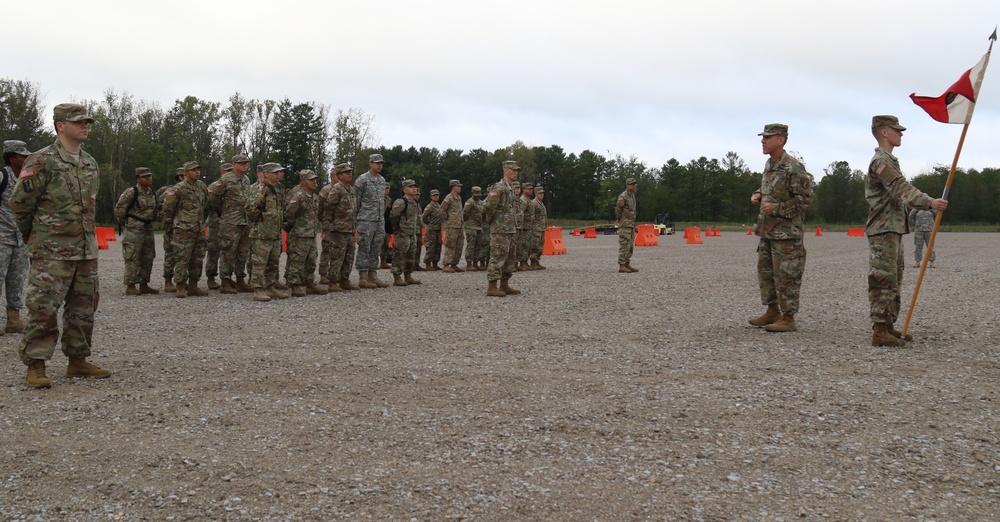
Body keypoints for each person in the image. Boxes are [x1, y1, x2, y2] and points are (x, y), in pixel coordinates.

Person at [9, 103, 110, 388]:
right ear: (60, 126)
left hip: (85, 250)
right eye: (78, 122)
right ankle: (36, 365)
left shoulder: (89, 162)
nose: (85, 126)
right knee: (43, 306)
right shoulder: (42, 161)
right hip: (51, 250)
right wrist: (36, 236)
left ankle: (77, 361)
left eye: (86, 121)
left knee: (84, 307)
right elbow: (20, 205)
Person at [866, 115, 948, 346]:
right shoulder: (881, 161)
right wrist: (929, 201)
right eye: (896, 130)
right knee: (882, 277)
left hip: (891, 227)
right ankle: (879, 330)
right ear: (884, 132)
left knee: (893, 277)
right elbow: (900, 188)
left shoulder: (889, 159)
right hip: (882, 228)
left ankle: (888, 324)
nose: (900, 134)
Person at [747, 123, 814, 333]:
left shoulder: (794, 167)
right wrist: (758, 193)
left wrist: (776, 208)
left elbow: (805, 199)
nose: (763, 141)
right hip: (768, 231)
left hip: (787, 234)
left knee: (787, 276)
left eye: (768, 137)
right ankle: (772, 311)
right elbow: (771, 187)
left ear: (781, 140)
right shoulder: (770, 165)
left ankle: (788, 317)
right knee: (766, 273)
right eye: (763, 137)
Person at [161, 161, 210, 298]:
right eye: (194, 170)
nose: (197, 172)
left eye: (198, 169)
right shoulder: (179, 188)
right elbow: (168, 207)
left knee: (198, 258)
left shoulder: (201, 186)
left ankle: (194, 286)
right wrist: (173, 223)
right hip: (183, 229)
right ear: (186, 173)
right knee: (182, 258)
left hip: (199, 228)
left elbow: (205, 203)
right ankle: (180, 286)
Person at [208, 153, 253, 294]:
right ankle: (225, 282)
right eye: (241, 163)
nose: (244, 165)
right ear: (234, 165)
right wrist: (224, 212)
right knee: (228, 252)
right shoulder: (225, 179)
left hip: (245, 221)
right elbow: (214, 199)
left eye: (246, 163)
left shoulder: (246, 179)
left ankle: (240, 280)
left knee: (243, 253)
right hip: (230, 222)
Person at [1, 140, 31, 334]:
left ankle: (14, 320)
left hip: (21, 239)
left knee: (17, 280)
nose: (26, 158)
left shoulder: (28, 178)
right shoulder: (2, 176)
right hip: (2, 238)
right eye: (22, 155)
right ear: (12, 158)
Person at [113, 167, 159, 296]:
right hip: (134, 229)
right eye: (145, 176)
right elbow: (120, 209)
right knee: (132, 256)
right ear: (138, 179)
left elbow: (157, 209)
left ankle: (144, 284)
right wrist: (125, 223)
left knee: (148, 256)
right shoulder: (131, 192)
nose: (148, 178)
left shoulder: (152, 193)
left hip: (148, 228)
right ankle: (131, 285)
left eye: (149, 176)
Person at [246, 162, 288, 301]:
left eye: (279, 172)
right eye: (275, 172)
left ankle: (270, 286)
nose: (278, 174)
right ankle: (258, 289)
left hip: (275, 232)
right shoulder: (261, 189)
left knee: (273, 262)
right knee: (259, 262)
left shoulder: (278, 188)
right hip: (262, 232)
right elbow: (251, 209)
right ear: (266, 174)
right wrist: (261, 220)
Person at [283, 169, 327, 297]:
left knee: (311, 260)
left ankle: (309, 283)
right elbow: (289, 214)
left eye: (315, 180)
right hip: (299, 235)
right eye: (311, 180)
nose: (314, 182)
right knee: (297, 260)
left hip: (311, 234)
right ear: (303, 181)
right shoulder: (298, 196)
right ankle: (295, 285)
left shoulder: (313, 196)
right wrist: (295, 227)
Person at [482, 161, 521, 297]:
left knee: (510, 259)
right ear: (506, 170)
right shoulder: (499, 187)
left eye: (517, 170)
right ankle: (492, 286)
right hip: (500, 229)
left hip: (510, 229)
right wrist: (493, 222)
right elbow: (488, 207)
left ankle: (504, 285)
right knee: (497, 257)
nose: (516, 172)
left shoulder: (510, 188)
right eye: (514, 170)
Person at [322, 163, 360, 292]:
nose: (350, 174)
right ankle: (333, 282)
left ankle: (344, 280)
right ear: (339, 176)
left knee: (349, 257)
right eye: (346, 172)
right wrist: (329, 225)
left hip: (349, 229)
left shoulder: (351, 189)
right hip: (338, 229)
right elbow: (328, 208)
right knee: (337, 256)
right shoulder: (336, 189)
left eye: (350, 172)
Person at [355, 153, 389, 288]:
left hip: (379, 220)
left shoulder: (382, 180)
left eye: (381, 163)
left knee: (376, 247)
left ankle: (372, 275)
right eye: (376, 163)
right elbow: (356, 201)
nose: (379, 165)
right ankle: (363, 277)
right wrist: (357, 219)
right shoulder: (362, 179)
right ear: (370, 163)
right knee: (364, 247)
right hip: (366, 220)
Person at [389, 179, 422, 286]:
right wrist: (397, 229)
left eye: (415, 186)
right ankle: (397, 277)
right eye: (411, 187)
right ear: (404, 189)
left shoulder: (415, 202)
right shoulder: (401, 202)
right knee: (399, 255)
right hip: (402, 233)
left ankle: (408, 276)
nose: (414, 189)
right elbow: (393, 216)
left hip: (412, 233)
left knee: (411, 256)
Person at [157, 168, 185, 292]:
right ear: (180, 177)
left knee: (185, 255)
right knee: (170, 254)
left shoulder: (193, 190)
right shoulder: (170, 191)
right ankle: (168, 281)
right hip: (172, 227)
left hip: (186, 227)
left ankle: (183, 281)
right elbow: (163, 208)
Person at [203, 163, 228, 290]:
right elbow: (208, 204)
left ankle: (227, 278)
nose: (229, 173)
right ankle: (211, 277)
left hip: (229, 223)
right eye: (226, 171)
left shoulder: (235, 184)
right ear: (222, 172)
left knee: (229, 250)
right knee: (213, 250)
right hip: (215, 222)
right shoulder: (214, 186)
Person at [439, 179, 465, 272]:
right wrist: (448, 219)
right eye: (458, 186)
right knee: (450, 245)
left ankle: (454, 264)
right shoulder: (448, 198)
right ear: (454, 187)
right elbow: (441, 210)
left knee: (459, 245)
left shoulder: (458, 198)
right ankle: (446, 265)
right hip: (451, 226)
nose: (460, 188)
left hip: (459, 226)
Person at [615, 178, 638, 273]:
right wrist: (619, 221)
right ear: (627, 185)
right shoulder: (623, 196)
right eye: (631, 184)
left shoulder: (632, 195)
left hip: (630, 224)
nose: (634, 186)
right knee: (624, 244)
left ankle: (627, 263)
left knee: (630, 245)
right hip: (624, 224)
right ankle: (622, 265)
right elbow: (618, 210)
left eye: (634, 184)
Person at [463, 186, 485, 271]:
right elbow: (465, 213)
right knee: (471, 246)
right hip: (471, 227)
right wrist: (468, 222)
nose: (477, 196)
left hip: (479, 227)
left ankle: (475, 263)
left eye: (479, 195)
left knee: (478, 245)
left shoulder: (480, 202)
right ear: (472, 194)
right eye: (476, 195)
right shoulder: (469, 202)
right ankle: (469, 263)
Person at [421, 188, 443, 270]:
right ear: (431, 197)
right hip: (431, 229)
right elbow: (424, 217)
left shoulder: (439, 206)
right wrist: (429, 223)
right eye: (434, 195)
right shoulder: (429, 206)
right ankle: (427, 263)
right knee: (430, 247)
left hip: (438, 229)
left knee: (438, 246)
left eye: (437, 195)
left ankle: (435, 263)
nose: (436, 197)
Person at [517, 182, 535, 270]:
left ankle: (525, 261)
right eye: (529, 189)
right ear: (524, 190)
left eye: (531, 189)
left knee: (528, 245)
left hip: (529, 227)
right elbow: (521, 213)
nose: (531, 190)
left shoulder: (528, 200)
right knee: (523, 245)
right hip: (524, 227)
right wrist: (520, 226)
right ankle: (522, 262)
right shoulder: (523, 200)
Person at [529, 186, 547, 269]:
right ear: (536, 194)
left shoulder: (541, 203)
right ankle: (533, 262)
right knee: (535, 246)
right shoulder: (534, 203)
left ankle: (537, 261)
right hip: (536, 228)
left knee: (540, 246)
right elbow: (531, 216)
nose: (542, 195)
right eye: (540, 193)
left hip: (541, 228)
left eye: (542, 193)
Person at [380, 185, 393, 270]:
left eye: (388, 188)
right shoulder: (379, 197)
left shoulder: (389, 200)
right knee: (378, 243)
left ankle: (383, 261)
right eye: (385, 188)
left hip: (386, 223)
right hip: (379, 221)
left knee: (385, 243)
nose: (387, 190)